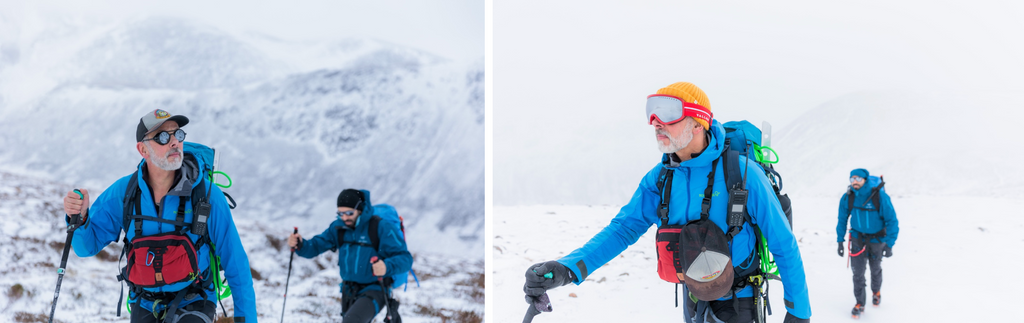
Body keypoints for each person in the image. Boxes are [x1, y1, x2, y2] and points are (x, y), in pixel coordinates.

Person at [522, 82, 811, 323]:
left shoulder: (744, 173)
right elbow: (623, 229)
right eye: (652, 114)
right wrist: (568, 268)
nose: (656, 123)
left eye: (669, 114)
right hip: (693, 297)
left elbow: (782, 242)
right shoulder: (660, 179)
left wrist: (798, 311)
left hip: (740, 301)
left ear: (698, 123)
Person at [61, 109, 257, 323]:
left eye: (178, 134)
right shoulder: (124, 193)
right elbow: (85, 247)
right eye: (163, 137)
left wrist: (246, 320)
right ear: (142, 149)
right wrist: (79, 219)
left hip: (196, 297)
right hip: (144, 300)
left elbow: (235, 262)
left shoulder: (207, 196)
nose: (174, 142)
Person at [287, 189, 413, 323]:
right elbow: (316, 246)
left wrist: (386, 266)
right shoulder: (338, 228)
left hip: (376, 289)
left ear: (360, 209)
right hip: (349, 290)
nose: (345, 217)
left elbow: (405, 258)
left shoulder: (381, 227)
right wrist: (300, 244)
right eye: (340, 213)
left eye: (349, 213)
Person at [836, 168, 899, 318]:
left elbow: (892, 221)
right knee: (858, 273)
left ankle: (876, 292)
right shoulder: (848, 197)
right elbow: (842, 220)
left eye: (858, 178)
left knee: (875, 269)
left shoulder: (880, 197)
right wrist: (840, 240)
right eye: (852, 179)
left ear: (866, 179)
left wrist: (890, 244)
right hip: (858, 240)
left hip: (877, 241)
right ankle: (860, 303)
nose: (854, 182)